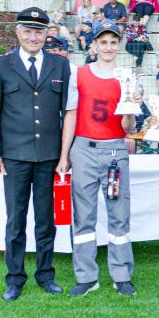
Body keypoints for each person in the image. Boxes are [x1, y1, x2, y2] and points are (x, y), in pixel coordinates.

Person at [0, 7, 71, 301]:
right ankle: (14, 278)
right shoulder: (0, 66)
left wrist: (65, 154)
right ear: (18, 33)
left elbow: (66, 112)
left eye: (39, 31)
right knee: (15, 220)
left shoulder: (60, 66)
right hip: (15, 157)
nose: (34, 37)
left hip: (48, 156)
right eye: (28, 31)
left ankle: (46, 275)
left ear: (47, 34)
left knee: (46, 220)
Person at [56, 22, 137, 297]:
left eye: (113, 42)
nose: (108, 47)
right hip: (84, 149)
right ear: (93, 45)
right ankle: (86, 276)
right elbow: (70, 115)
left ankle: (121, 274)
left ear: (119, 45)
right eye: (103, 42)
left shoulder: (126, 77)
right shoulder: (79, 74)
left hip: (114, 149)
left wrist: (130, 105)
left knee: (118, 215)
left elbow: (128, 127)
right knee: (84, 216)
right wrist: (64, 155)